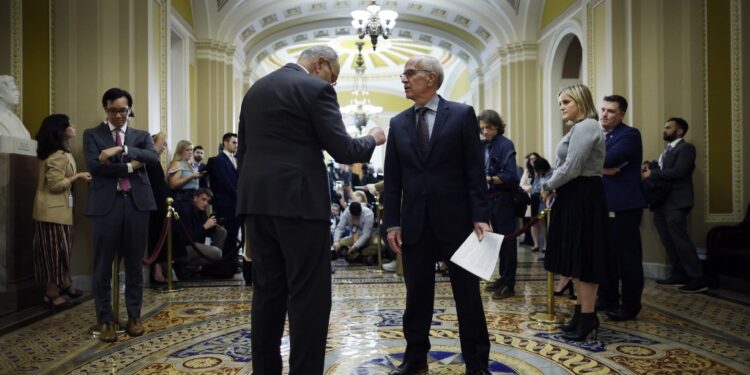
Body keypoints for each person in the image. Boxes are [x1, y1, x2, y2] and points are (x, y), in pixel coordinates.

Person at [236, 45, 385, 374]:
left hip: (256, 204)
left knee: (267, 293)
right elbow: (343, 148)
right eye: (333, 78)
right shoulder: (314, 89)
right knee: (309, 297)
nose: (331, 85)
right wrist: (372, 139)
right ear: (320, 64)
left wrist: (249, 199)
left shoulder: (256, 89)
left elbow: (243, 152)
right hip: (300, 205)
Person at [384, 55, 492, 375]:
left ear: (431, 79)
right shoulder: (398, 123)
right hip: (415, 224)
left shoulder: (461, 115)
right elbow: (393, 180)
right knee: (417, 296)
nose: (403, 79)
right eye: (403, 75)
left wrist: (480, 215)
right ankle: (415, 359)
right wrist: (392, 222)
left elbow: (475, 171)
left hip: (458, 223)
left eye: (409, 74)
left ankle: (477, 363)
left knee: (468, 297)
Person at [83, 88, 159, 342]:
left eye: (123, 111)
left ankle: (135, 316)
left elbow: (152, 157)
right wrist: (130, 166)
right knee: (103, 266)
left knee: (135, 265)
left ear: (130, 110)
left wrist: (120, 150)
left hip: (136, 205)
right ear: (106, 108)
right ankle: (105, 320)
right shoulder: (92, 135)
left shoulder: (140, 135)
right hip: (106, 205)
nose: (119, 116)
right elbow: (94, 166)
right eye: (114, 110)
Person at [541, 83, 608, 342]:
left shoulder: (587, 125)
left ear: (580, 101)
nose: (561, 107)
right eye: (560, 103)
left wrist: (547, 185)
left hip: (584, 196)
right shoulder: (579, 128)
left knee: (585, 258)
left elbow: (573, 166)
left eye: (566, 102)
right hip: (575, 195)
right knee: (577, 259)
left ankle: (588, 316)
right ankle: (581, 314)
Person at [596, 95, 647, 320]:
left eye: (611, 111)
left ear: (622, 114)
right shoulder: (599, 135)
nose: (605, 114)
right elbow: (578, 158)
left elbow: (611, 158)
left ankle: (630, 306)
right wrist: (601, 169)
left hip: (624, 205)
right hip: (603, 204)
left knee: (627, 259)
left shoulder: (630, 134)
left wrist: (599, 165)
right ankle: (608, 298)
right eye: (603, 109)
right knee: (606, 256)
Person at [32, 114, 91, 308]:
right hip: (52, 213)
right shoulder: (57, 155)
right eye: (69, 124)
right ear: (60, 130)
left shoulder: (63, 152)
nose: (73, 126)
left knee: (62, 251)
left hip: (61, 211)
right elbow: (56, 185)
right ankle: (51, 292)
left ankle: (65, 284)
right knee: (53, 254)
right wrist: (77, 177)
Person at [642, 117, 706, 293]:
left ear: (680, 131)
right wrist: (651, 164)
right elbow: (664, 168)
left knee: (680, 239)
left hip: (677, 201)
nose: (664, 130)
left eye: (668, 127)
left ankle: (697, 278)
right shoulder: (667, 150)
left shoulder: (686, 148)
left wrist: (652, 174)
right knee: (668, 239)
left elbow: (680, 171)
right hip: (661, 201)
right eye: (664, 127)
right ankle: (678, 274)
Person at [478, 109, 519, 300]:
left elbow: (511, 175)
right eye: (482, 128)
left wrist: (489, 179)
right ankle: (502, 278)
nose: (485, 131)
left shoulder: (505, 144)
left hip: (504, 199)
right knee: (497, 243)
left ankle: (509, 283)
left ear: (497, 126)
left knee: (508, 242)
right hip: (489, 200)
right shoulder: (484, 145)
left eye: (488, 127)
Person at [204, 133, 242, 278]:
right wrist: (239, 195)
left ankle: (232, 265)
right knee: (226, 235)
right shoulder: (220, 160)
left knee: (233, 235)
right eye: (233, 142)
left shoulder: (236, 159)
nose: (236, 145)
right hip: (225, 202)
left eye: (237, 142)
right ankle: (224, 267)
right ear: (225, 143)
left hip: (236, 203)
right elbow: (224, 182)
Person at [145, 131, 172, 284]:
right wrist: (160, 137)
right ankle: (156, 272)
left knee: (162, 238)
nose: (164, 147)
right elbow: (161, 135)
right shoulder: (149, 158)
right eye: (163, 144)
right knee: (155, 238)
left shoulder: (154, 160)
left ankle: (162, 270)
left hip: (162, 204)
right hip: (154, 204)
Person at [177, 188, 225, 268]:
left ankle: (203, 267)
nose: (206, 203)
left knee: (221, 232)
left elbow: (204, 234)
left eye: (207, 201)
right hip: (183, 247)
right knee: (217, 253)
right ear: (195, 198)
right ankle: (188, 266)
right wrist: (205, 226)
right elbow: (187, 238)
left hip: (194, 243)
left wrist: (212, 226)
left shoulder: (200, 211)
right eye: (203, 199)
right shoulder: (186, 210)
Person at [168, 140, 202, 213]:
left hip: (192, 198)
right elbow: (173, 185)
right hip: (182, 199)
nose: (190, 152)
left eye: (191, 150)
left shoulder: (188, 164)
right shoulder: (177, 163)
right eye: (187, 150)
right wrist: (191, 176)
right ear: (180, 151)